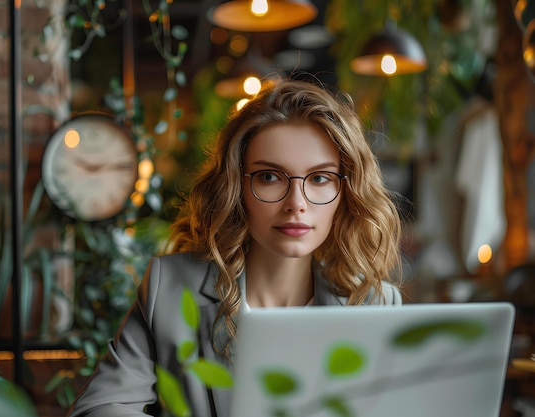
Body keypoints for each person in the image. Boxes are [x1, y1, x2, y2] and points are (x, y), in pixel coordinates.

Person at [67, 77, 403, 417]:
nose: (296, 203)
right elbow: (97, 409)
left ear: (346, 192)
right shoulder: (169, 287)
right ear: (236, 187)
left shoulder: (376, 303)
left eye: (319, 178)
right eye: (269, 177)